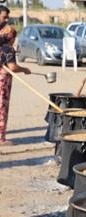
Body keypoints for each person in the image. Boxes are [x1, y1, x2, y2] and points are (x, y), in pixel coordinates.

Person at [0, 6, 30, 146]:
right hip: (3, 83)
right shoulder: (8, 48)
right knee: (2, 108)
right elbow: (12, 67)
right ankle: (1, 138)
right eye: (4, 17)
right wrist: (24, 69)